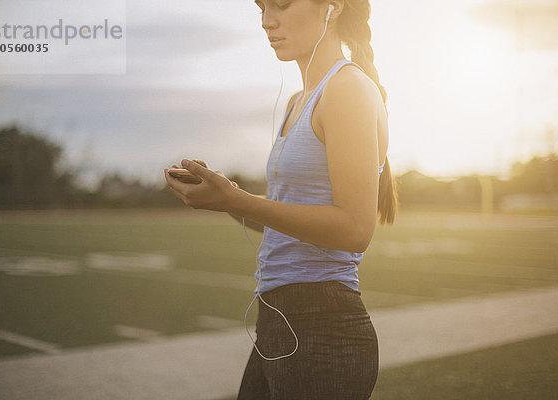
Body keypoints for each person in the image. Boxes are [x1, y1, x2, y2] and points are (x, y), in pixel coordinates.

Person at [164, 0, 398, 398]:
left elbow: (355, 230)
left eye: (282, 5)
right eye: (261, 8)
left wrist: (237, 201)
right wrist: (225, 199)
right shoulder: (297, 101)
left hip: (323, 329)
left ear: (333, 8)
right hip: (278, 323)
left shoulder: (348, 89)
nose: (267, 21)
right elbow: (285, 219)